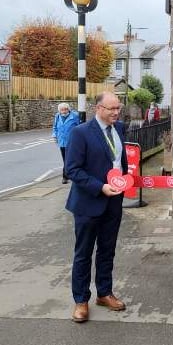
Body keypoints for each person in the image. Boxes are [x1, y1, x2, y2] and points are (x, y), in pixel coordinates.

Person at [64, 92, 129, 323]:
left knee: (107, 250)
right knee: (83, 254)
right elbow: (72, 169)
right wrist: (100, 187)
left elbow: (119, 161)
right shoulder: (80, 133)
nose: (116, 112)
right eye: (111, 109)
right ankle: (81, 301)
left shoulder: (119, 128)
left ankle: (104, 293)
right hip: (89, 202)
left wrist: (125, 179)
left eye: (118, 108)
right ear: (98, 108)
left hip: (114, 202)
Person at [52, 102, 80, 184]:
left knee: (70, 159)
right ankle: (68, 175)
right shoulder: (57, 116)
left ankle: (65, 176)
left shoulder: (75, 116)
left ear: (68, 109)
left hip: (72, 142)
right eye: (62, 110)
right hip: (62, 142)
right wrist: (55, 136)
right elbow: (55, 127)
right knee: (65, 159)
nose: (64, 111)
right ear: (59, 110)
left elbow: (80, 126)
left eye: (65, 109)